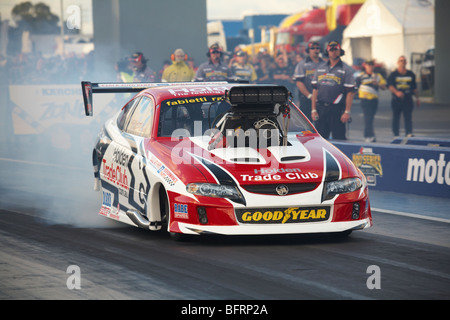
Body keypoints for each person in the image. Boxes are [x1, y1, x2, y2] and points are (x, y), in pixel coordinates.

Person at [311, 41, 356, 140]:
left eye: (336, 50)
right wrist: (313, 110)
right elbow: (315, 90)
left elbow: (351, 92)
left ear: (340, 51)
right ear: (327, 52)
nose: (334, 52)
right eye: (331, 50)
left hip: (337, 110)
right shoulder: (320, 68)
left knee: (339, 138)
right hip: (321, 109)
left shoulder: (346, 69)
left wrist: (347, 112)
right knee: (320, 140)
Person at [387, 55, 420, 138]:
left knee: (408, 116)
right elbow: (390, 86)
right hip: (396, 99)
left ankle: (409, 132)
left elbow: (414, 87)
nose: (402, 62)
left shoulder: (411, 74)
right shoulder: (393, 74)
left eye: (404, 60)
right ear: (398, 63)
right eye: (401, 61)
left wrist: (417, 98)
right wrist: (396, 92)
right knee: (396, 117)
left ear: (406, 62)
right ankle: (396, 134)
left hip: (408, 99)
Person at [356, 59, 386, 142]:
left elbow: (384, 87)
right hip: (365, 100)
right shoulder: (360, 76)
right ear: (365, 66)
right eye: (368, 65)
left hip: (374, 100)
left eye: (371, 65)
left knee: (370, 118)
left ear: (373, 66)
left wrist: (378, 84)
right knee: (367, 118)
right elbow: (355, 86)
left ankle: (366, 135)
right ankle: (371, 135)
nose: (369, 67)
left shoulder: (377, 76)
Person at [293, 41, 324, 121]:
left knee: (321, 126)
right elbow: (299, 82)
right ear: (308, 50)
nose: (315, 50)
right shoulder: (302, 64)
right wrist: (309, 96)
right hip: (306, 99)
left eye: (317, 48)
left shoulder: (325, 64)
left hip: (321, 100)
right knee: (307, 126)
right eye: (312, 48)